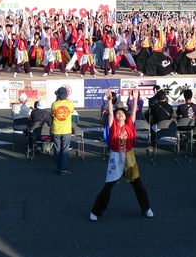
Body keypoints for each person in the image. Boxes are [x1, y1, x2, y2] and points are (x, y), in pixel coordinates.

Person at [89, 88, 154, 221]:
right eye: (118, 113)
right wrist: (109, 101)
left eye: (122, 113)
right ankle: (95, 211)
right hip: (116, 157)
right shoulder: (113, 126)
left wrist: (135, 99)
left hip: (129, 157)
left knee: (138, 185)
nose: (120, 114)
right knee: (108, 187)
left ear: (126, 116)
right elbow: (111, 115)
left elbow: (134, 112)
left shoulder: (130, 125)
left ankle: (146, 208)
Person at [51, 87, 74, 175]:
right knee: (65, 150)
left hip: (56, 129)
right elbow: (71, 110)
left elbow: (53, 112)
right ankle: (63, 169)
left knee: (57, 150)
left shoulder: (54, 104)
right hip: (66, 130)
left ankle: (59, 167)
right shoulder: (70, 104)